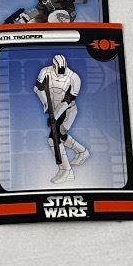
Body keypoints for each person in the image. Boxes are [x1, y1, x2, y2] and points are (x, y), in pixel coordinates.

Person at [34, 54, 90, 183]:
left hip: (68, 110)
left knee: (54, 138)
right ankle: (82, 152)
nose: (60, 74)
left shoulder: (74, 78)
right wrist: (45, 103)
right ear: (54, 66)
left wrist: (55, 116)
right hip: (53, 109)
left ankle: (66, 171)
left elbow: (67, 100)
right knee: (61, 135)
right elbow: (38, 88)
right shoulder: (45, 72)